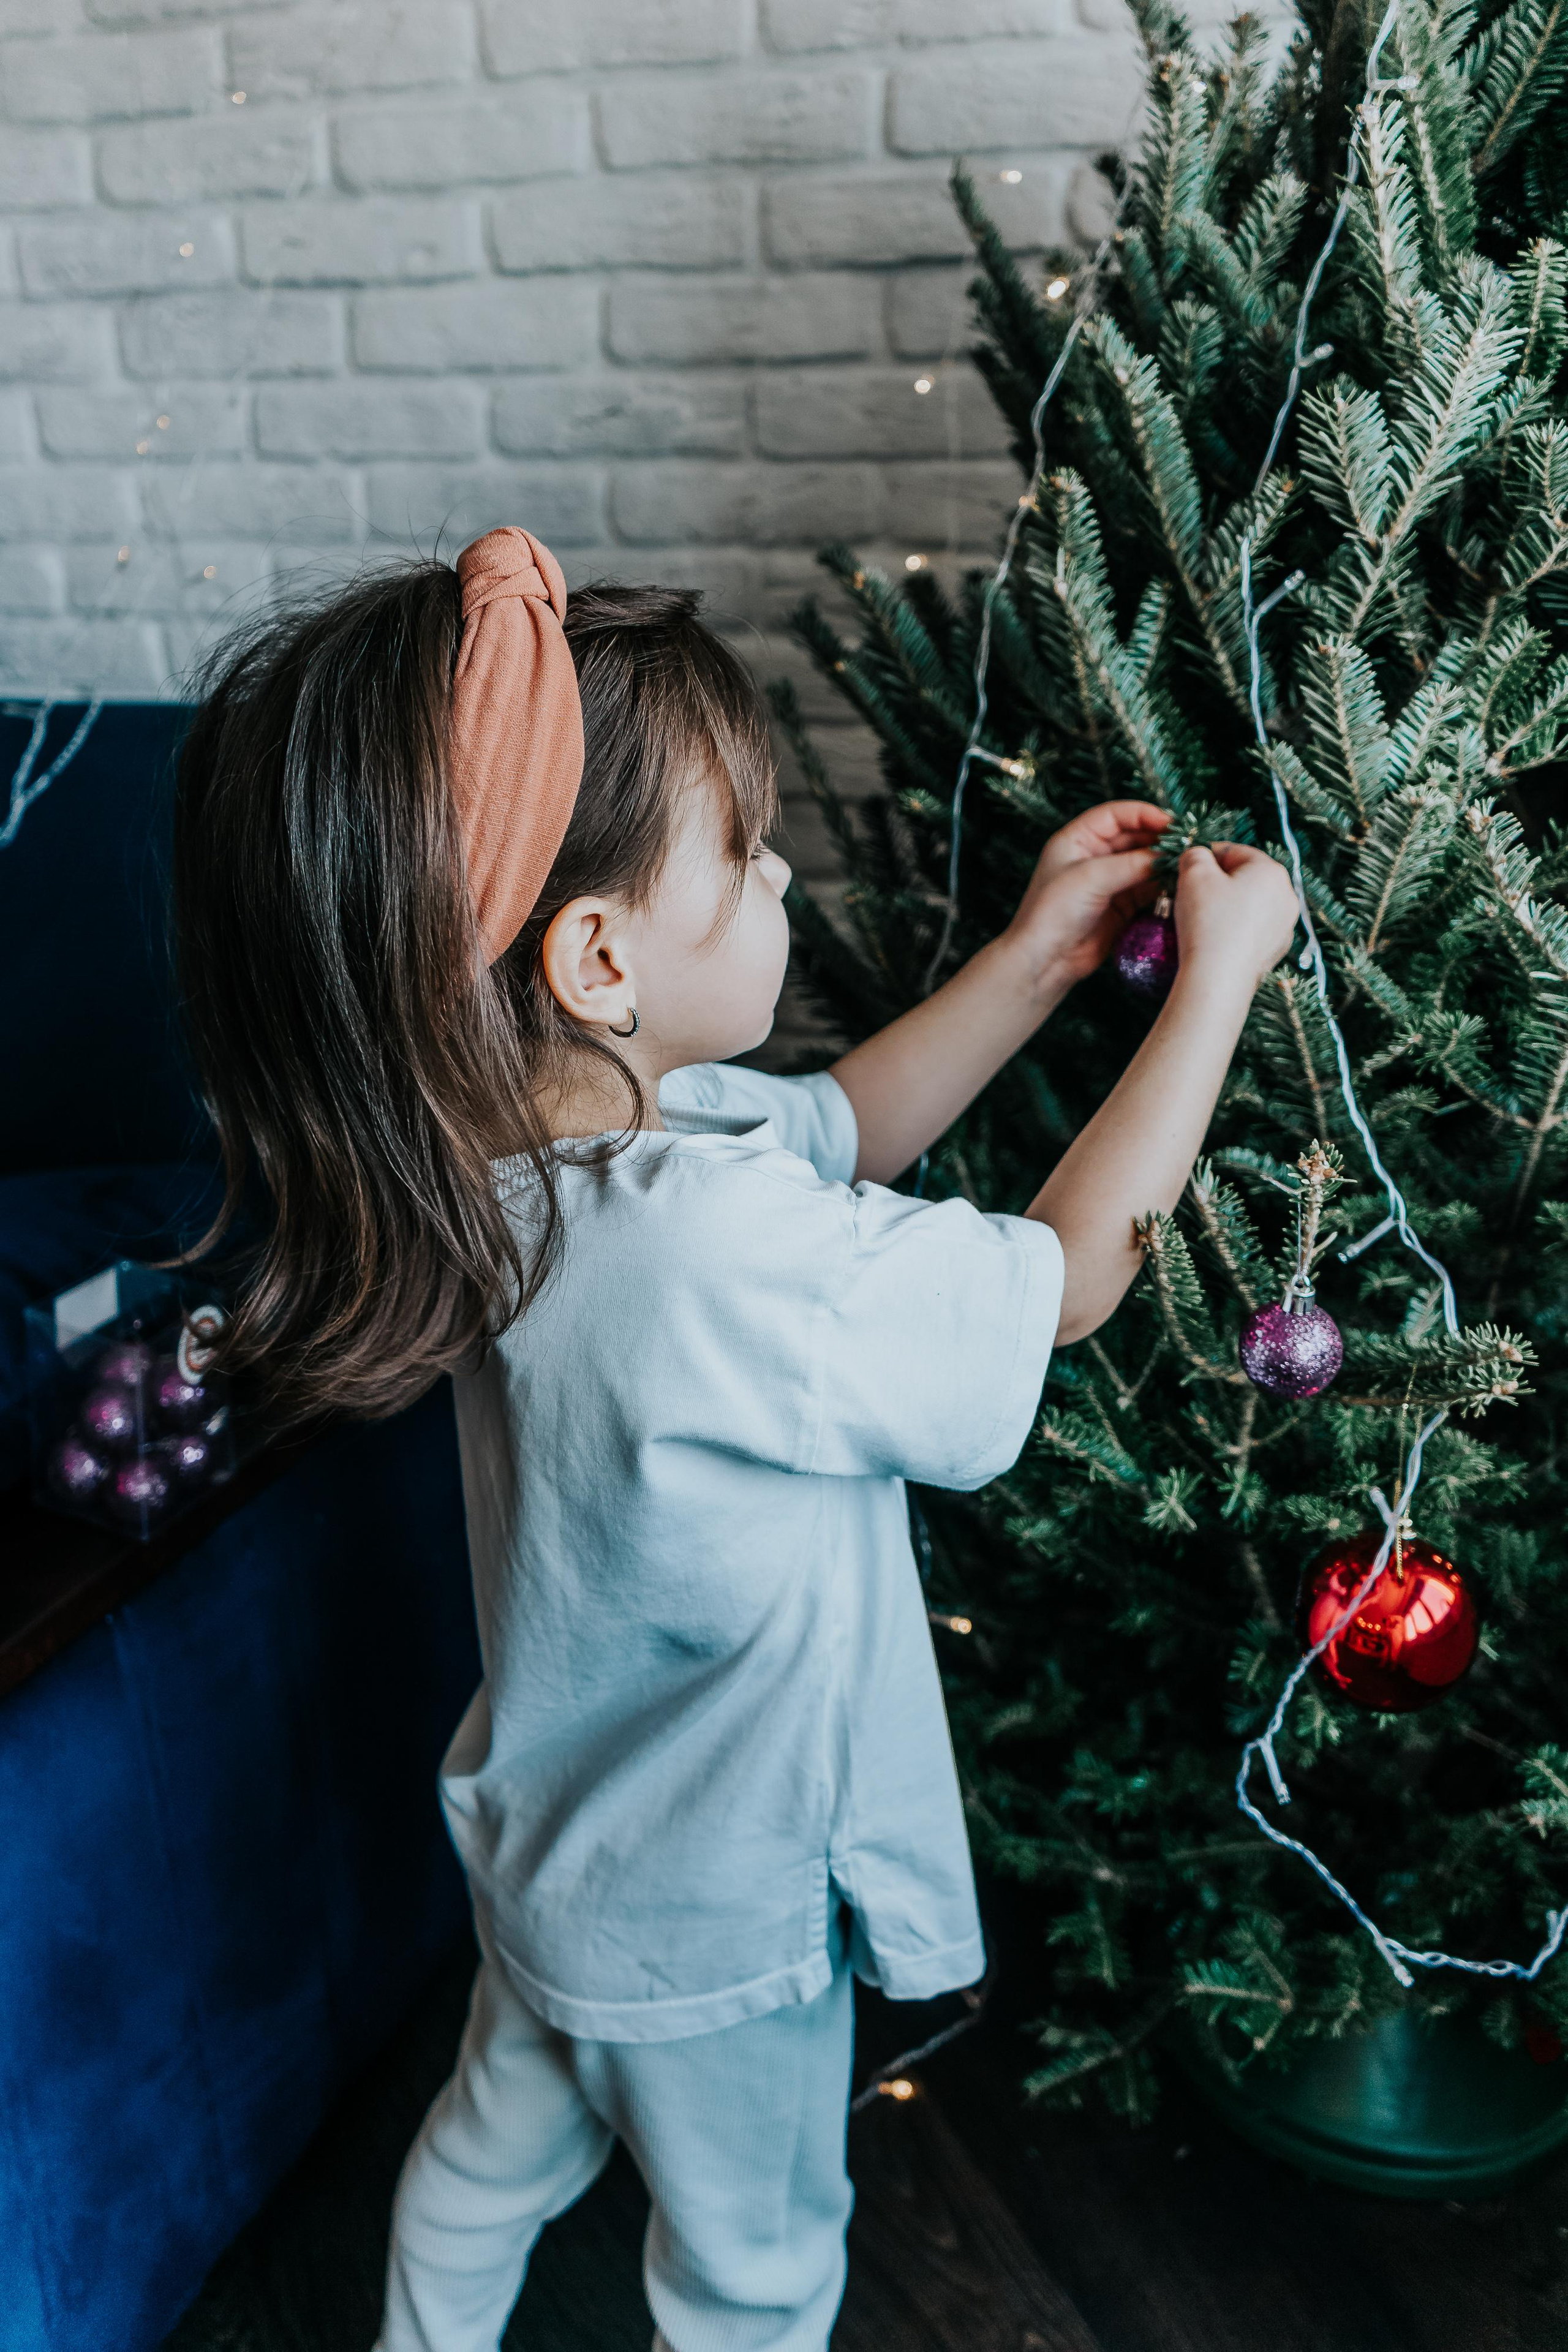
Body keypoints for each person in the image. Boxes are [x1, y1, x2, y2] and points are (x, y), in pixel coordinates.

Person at [172, 527, 1298, 2352]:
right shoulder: (705, 1249)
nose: (782, 872)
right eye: (745, 851)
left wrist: (1030, 958)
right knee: (754, 2266)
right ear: (600, 956)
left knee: (487, 2152)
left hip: (557, 1850)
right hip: (721, 1917)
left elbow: (844, 1122)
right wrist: (1215, 987)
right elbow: (1073, 1280)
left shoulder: (535, 1158)